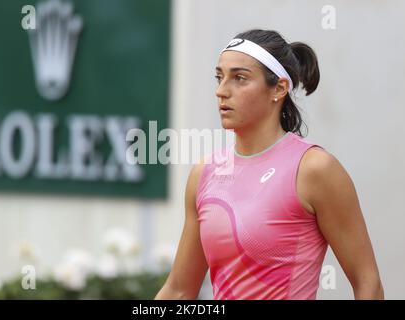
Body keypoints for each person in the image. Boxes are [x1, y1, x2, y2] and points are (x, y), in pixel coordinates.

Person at [155, 29, 383, 300]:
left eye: (239, 78)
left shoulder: (314, 169)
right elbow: (179, 290)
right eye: (219, 77)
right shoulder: (204, 173)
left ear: (279, 88)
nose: (221, 91)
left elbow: (368, 283)